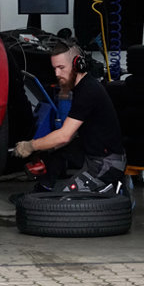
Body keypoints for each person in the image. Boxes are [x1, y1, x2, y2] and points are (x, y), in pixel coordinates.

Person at [12, 40, 126, 193]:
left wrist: (30, 146)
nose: (57, 74)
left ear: (78, 65)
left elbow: (65, 135)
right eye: (55, 68)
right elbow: (70, 136)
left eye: (61, 68)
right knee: (55, 152)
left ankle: (115, 188)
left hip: (107, 162)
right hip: (90, 152)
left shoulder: (88, 91)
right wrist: (44, 149)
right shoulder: (81, 87)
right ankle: (42, 191)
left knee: (68, 202)